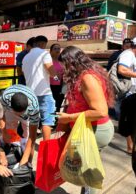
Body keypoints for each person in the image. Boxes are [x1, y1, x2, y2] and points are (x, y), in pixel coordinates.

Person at [57, 46, 115, 194]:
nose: (63, 68)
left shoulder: (87, 78)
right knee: (87, 170)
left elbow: (101, 111)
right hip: (87, 129)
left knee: (87, 173)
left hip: (95, 131)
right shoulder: (81, 75)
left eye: (64, 64)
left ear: (72, 62)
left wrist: (69, 118)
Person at [22, 35, 58, 140]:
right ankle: (47, 148)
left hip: (30, 93)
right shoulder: (44, 54)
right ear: (43, 44)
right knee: (47, 122)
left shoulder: (26, 57)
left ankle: (30, 146)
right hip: (44, 93)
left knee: (33, 121)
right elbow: (52, 72)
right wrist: (57, 78)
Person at [0, 84, 40, 166]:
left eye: (21, 113)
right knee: (10, 133)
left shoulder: (33, 107)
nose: (18, 116)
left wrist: (24, 162)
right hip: (10, 112)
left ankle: (29, 164)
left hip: (27, 117)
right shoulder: (5, 97)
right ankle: (12, 155)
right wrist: (4, 132)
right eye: (17, 114)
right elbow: (1, 115)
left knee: (27, 137)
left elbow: (32, 137)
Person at [116, 39, 136, 154]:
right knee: (128, 121)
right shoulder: (127, 54)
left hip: (133, 93)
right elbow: (122, 70)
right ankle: (130, 146)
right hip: (127, 94)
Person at [49, 43, 64, 112]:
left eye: (58, 48)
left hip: (62, 85)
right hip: (52, 85)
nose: (57, 50)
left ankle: (56, 117)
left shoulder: (62, 60)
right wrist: (57, 78)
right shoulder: (48, 61)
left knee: (59, 102)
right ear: (51, 51)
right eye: (55, 48)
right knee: (52, 102)